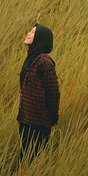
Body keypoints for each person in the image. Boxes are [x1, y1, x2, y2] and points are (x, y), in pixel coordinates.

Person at [17, 23, 60, 162]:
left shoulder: (44, 62)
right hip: (26, 117)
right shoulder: (32, 58)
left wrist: (53, 117)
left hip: (39, 119)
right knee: (26, 154)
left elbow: (53, 92)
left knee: (34, 157)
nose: (28, 33)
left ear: (40, 38)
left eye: (33, 32)